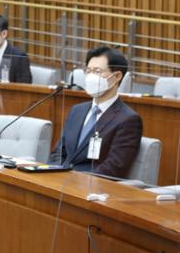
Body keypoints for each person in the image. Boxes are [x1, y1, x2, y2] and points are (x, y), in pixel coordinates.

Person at [49, 47, 143, 178]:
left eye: (97, 71)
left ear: (116, 76)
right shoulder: (77, 110)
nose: (91, 76)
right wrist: (53, 175)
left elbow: (114, 168)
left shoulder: (128, 120)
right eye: (88, 71)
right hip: (61, 182)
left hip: (92, 190)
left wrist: (72, 182)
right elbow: (58, 153)